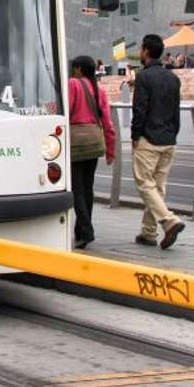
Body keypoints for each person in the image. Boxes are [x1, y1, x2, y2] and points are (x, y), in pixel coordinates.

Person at [130, 34, 185, 249]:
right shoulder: (173, 78)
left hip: (149, 138)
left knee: (144, 183)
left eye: (142, 49)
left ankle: (169, 221)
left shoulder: (143, 77)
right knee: (158, 187)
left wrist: (135, 135)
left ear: (145, 50)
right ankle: (148, 232)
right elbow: (176, 111)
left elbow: (140, 109)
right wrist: (173, 133)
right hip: (169, 138)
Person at [67, 55, 117, 250]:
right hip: (94, 143)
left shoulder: (73, 84)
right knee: (88, 188)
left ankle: (86, 231)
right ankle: (81, 232)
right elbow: (108, 124)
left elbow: (67, 110)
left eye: (74, 68)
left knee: (77, 189)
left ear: (78, 69)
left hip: (76, 142)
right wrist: (110, 151)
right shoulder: (99, 91)